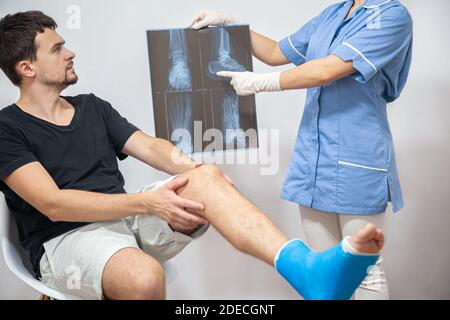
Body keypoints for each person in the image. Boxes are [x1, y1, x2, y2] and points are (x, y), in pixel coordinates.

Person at [0, 10, 384, 300]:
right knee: (146, 278)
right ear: (26, 67)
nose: (70, 52)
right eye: (57, 48)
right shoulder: (7, 128)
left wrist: (200, 174)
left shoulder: (91, 107)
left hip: (125, 221)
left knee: (205, 176)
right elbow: (54, 205)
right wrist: (149, 203)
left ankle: (303, 270)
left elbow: (150, 146)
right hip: (67, 238)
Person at [190, 0, 413, 299]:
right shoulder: (333, 13)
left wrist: (262, 84)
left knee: (364, 272)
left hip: (358, 158)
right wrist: (230, 24)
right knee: (322, 272)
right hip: (314, 158)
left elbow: (328, 69)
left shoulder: (391, 15)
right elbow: (275, 53)